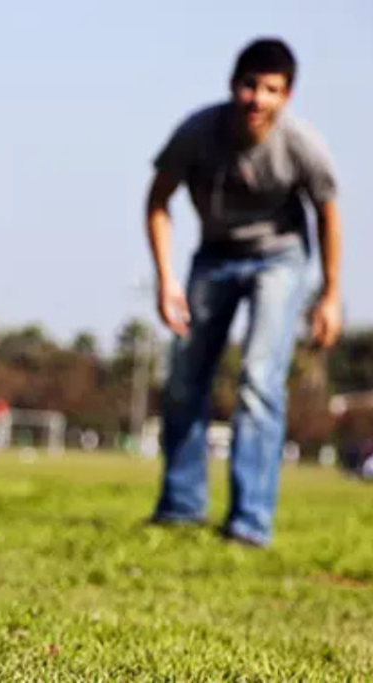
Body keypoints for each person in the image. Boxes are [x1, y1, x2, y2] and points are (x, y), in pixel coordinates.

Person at [144, 38, 342, 546]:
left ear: (287, 95)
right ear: (233, 85)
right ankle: (181, 507)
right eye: (250, 86)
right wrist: (166, 279)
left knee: (258, 377)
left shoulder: (301, 144)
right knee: (185, 376)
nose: (258, 98)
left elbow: (327, 215)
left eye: (271, 89)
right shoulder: (198, 132)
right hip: (214, 255)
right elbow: (158, 201)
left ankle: (249, 521)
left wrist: (329, 295)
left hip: (280, 258)